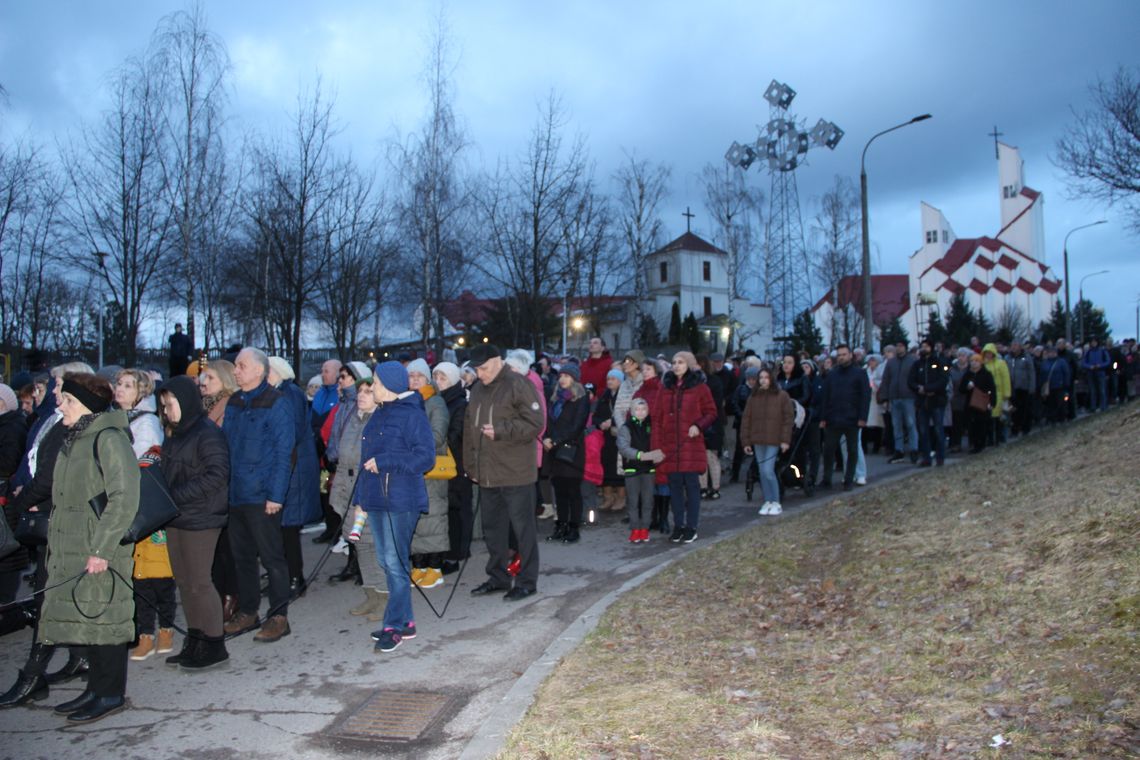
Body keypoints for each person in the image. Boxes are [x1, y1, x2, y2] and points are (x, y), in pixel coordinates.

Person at [39, 373, 139, 723]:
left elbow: (124, 497)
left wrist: (102, 548)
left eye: (67, 400)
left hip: (100, 546)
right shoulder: (77, 438)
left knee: (107, 618)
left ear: (86, 405)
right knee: (89, 618)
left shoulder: (109, 439)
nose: (60, 405)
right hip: (77, 544)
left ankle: (110, 693)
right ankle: (95, 688)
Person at [356, 362, 435, 653]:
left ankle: (394, 625)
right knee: (387, 560)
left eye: (374, 382)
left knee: (395, 562)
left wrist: (388, 462)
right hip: (377, 499)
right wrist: (361, 501)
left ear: (387, 385)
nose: (371, 387)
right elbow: (366, 462)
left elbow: (425, 458)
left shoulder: (411, 415)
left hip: (402, 500)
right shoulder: (378, 415)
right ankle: (407, 622)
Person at [155, 376, 230, 670]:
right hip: (176, 515)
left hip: (202, 517)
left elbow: (216, 475)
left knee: (200, 582)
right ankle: (195, 638)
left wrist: (176, 495)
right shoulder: (175, 433)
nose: (166, 410)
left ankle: (214, 644)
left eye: (170, 403)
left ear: (184, 401)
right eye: (163, 405)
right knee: (184, 583)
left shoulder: (206, 432)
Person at [222, 348, 294, 643]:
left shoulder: (277, 403)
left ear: (259, 371)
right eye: (236, 366)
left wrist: (276, 496)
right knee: (242, 559)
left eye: (241, 366)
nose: (236, 370)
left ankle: (278, 616)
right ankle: (249, 612)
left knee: (272, 558)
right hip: (235, 494)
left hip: (262, 495)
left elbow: (283, 453)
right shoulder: (235, 402)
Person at [463, 344, 545, 601]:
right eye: (476, 369)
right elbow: (469, 429)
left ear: (498, 361)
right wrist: (470, 466)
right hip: (487, 472)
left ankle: (526, 580)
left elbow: (535, 423)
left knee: (523, 529)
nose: (480, 373)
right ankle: (498, 577)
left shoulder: (517, 384)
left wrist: (501, 429)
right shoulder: (477, 389)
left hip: (516, 472)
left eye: (484, 368)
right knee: (493, 529)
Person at [330, 377, 386, 621]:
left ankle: (386, 596)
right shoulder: (353, 419)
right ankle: (371, 594)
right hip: (349, 487)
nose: (361, 395)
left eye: (368, 391)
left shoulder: (381, 421)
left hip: (369, 490)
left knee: (375, 545)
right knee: (360, 545)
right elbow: (343, 461)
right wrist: (338, 495)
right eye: (360, 391)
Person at [267, 357, 322, 600]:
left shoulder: (288, 394)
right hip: (291, 465)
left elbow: (291, 431)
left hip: (293, 468)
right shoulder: (284, 392)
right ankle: (285, 577)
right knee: (281, 529)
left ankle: (294, 578)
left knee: (288, 528)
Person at [651, 351, 717, 544]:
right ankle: (678, 525)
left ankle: (691, 526)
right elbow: (657, 418)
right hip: (670, 446)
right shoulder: (665, 388)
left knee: (692, 487)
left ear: (689, 364)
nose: (676, 365)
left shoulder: (700, 387)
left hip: (690, 445)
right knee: (675, 488)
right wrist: (657, 446)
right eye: (674, 362)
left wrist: (699, 425)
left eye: (681, 362)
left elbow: (711, 412)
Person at [405, 359, 451, 589]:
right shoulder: (406, 402)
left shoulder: (435, 403)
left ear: (427, 379)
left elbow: (438, 435)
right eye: (411, 376)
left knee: (433, 519)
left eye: (419, 376)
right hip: (411, 470)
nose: (414, 380)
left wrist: (412, 447)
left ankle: (435, 567)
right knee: (416, 520)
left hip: (431, 469)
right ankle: (419, 566)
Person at [541, 364, 589, 544]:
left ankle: (574, 527)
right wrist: (546, 438)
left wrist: (556, 440)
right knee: (559, 490)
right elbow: (548, 422)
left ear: (574, 379)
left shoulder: (581, 399)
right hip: (554, 450)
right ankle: (560, 526)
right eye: (561, 375)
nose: (562, 379)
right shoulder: (554, 399)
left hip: (571, 451)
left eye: (567, 376)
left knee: (573, 491)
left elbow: (577, 426)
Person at [433, 362, 472, 574]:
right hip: (439, 462)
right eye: (436, 377)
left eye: (443, 378)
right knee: (443, 510)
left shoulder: (460, 403)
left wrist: (437, 439)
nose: (438, 382)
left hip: (456, 463)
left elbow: (456, 435)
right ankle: (443, 551)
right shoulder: (435, 402)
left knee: (456, 509)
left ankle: (456, 554)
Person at [740, 368, 794, 515]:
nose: (763, 380)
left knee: (768, 471)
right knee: (762, 472)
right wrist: (746, 441)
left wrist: (785, 440)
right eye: (761, 377)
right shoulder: (753, 397)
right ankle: (768, 501)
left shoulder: (781, 396)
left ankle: (776, 501)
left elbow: (788, 419)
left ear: (771, 379)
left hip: (774, 439)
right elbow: (746, 420)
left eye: (766, 377)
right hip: (758, 439)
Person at [818, 344, 870, 491]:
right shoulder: (832, 374)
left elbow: (865, 397)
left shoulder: (859, 373)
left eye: (844, 354)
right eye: (839, 355)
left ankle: (849, 479)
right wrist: (823, 418)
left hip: (852, 419)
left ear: (850, 355)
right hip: (833, 419)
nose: (841, 357)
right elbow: (825, 397)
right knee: (828, 450)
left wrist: (862, 418)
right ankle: (826, 479)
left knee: (852, 450)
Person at [616, 397, 662, 542]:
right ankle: (635, 528)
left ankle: (645, 528)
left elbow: (658, 442)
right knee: (633, 501)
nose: (641, 412)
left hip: (649, 469)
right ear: (632, 411)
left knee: (648, 501)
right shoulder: (626, 427)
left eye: (643, 409)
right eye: (637, 409)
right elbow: (623, 448)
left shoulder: (652, 425)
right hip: (632, 469)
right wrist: (640, 455)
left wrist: (658, 453)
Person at [908, 338, 951, 467]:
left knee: (938, 430)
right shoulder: (917, 365)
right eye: (922, 346)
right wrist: (919, 388)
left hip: (937, 400)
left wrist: (928, 388)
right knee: (923, 431)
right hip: (922, 402)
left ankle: (940, 457)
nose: (923, 348)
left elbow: (943, 380)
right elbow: (910, 381)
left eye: (926, 346)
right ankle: (926, 458)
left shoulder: (940, 362)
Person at [879, 342, 917, 464]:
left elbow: (917, 378)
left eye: (901, 346)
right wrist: (884, 398)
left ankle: (914, 449)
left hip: (909, 397)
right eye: (897, 346)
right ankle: (898, 450)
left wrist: (916, 392)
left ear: (905, 347)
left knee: (911, 424)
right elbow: (886, 380)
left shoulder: (912, 361)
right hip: (894, 397)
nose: (899, 348)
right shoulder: (891, 363)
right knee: (896, 426)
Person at [696, 354, 725, 501]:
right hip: (698, 423)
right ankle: (703, 487)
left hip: (712, 424)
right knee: (701, 456)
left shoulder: (714, 381)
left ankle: (715, 487)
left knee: (711, 456)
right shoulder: (693, 382)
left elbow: (717, 403)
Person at [960, 354, 996, 453]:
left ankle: (981, 444)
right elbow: (961, 389)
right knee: (972, 425)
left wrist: (992, 402)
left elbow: (992, 388)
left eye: (976, 361)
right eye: (972, 361)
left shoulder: (986, 374)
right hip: (970, 403)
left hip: (982, 402)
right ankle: (974, 444)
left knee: (982, 424)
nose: (974, 363)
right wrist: (967, 387)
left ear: (980, 363)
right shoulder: (968, 375)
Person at [982, 343, 1011, 444]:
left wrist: (1006, 393)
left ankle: (1000, 437)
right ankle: (990, 439)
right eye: (986, 353)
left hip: (999, 393)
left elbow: (1005, 378)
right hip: (987, 394)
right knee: (988, 418)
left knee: (1000, 417)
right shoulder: (983, 365)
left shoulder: (1001, 363)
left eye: (990, 353)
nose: (988, 355)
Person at [197, 359, 237, 428]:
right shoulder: (205, 402)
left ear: (225, 380)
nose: (204, 382)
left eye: (210, 378)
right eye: (205, 377)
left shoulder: (231, 406)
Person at [1080, 337, 1110, 412]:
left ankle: (1103, 406)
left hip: (1100, 372)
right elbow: (1083, 363)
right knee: (1092, 391)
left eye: (1095, 342)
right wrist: (1090, 366)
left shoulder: (1102, 351)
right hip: (1091, 372)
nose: (1093, 343)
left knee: (1102, 390)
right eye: (1092, 342)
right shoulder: (1088, 352)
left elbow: (1108, 361)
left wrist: (1100, 365)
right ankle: (1093, 406)